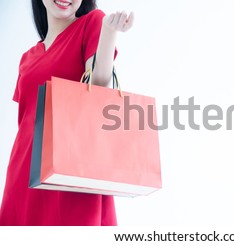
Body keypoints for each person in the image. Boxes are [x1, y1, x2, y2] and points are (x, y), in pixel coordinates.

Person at [0, 0, 134, 225]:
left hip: (71, 171)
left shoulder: (92, 22)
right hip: (23, 174)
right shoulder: (27, 58)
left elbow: (99, 87)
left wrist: (109, 32)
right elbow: (25, 124)